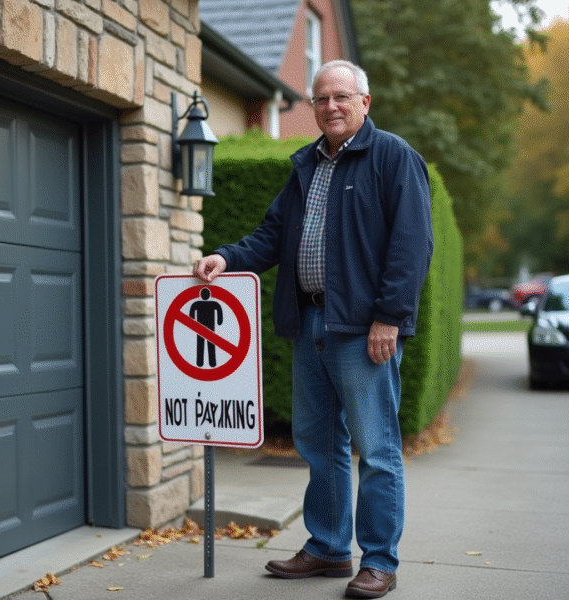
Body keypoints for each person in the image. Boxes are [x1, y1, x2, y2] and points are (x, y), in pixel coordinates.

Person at [192, 59, 433, 598]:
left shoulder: (393, 157)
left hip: (364, 326)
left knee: (376, 449)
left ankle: (379, 560)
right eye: (321, 99)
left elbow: (412, 246)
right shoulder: (306, 164)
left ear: (365, 102)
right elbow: (271, 236)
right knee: (318, 444)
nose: (331, 107)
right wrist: (226, 259)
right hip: (310, 321)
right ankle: (327, 548)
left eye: (342, 97)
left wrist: (389, 318)